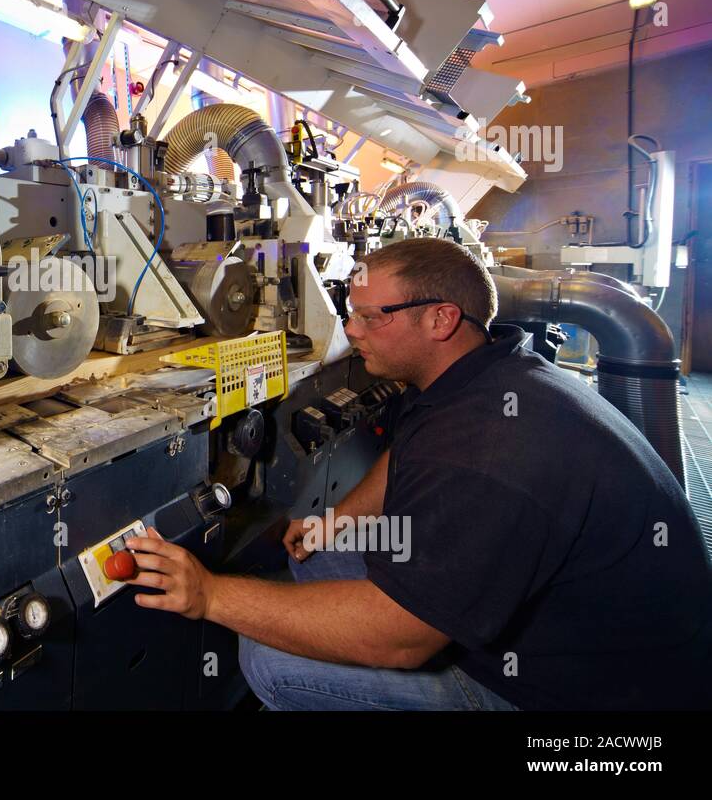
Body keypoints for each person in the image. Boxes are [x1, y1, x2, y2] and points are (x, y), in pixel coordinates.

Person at [125, 237, 712, 709]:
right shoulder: (483, 375)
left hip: (577, 692)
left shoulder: (489, 446)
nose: (350, 330)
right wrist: (336, 520)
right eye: (349, 310)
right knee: (322, 560)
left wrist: (208, 595)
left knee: (271, 663)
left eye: (370, 316)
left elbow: (402, 639)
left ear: (441, 319)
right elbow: (404, 454)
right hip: (551, 620)